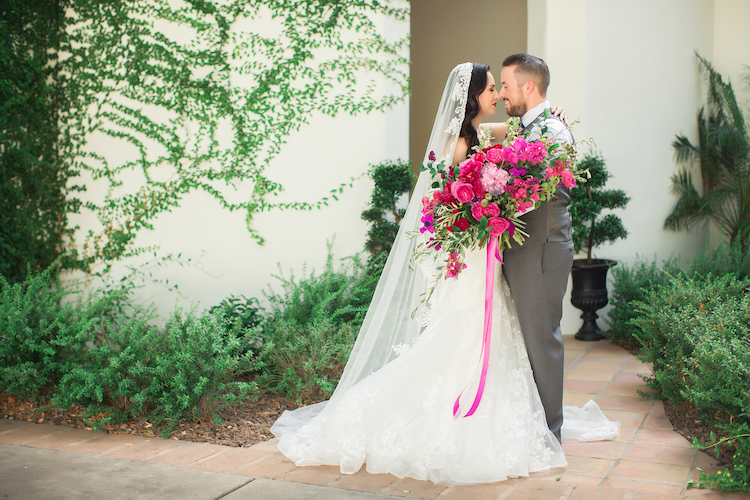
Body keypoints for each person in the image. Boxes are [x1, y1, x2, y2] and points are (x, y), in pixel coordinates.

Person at [270, 62, 617, 485]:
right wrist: (478, 217)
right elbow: (445, 200)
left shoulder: (504, 131)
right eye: (493, 89)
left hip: (503, 252)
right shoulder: (461, 142)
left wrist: (551, 114)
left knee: (506, 337)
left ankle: (536, 426)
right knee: (468, 337)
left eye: (503, 88)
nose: (499, 95)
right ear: (474, 97)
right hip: (474, 255)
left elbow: (528, 145)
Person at [498, 54, 573, 443]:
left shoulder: (553, 132)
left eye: (506, 86)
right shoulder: (526, 127)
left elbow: (532, 197)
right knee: (522, 337)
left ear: (529, 87)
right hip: (521, 248)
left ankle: (550, 433)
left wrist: (490, 202)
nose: (500, 95)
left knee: (541, 336)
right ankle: (530, 423)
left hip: (541, 247)